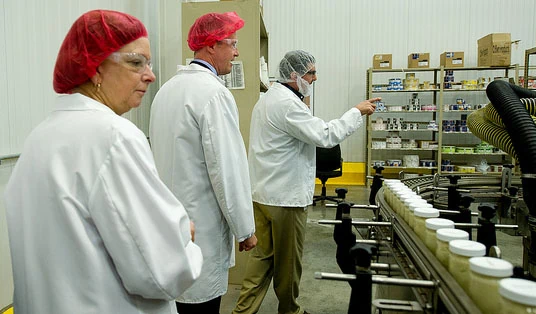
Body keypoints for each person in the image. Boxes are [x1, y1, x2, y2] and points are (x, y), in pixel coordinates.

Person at [4, 10, 204, 314]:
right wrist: (183, 241)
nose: (150, 75)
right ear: (94, 67)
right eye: (136, 62)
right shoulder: (113, 136)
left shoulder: (39, 138)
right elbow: (161, 273)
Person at [232, 50, 380, 314]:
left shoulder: (269, 99)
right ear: (294, 75)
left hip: (263, 193)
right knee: (288, 262)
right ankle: (291, 311)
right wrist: (356, 112)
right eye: (310, 73)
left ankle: (243, 311)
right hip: (284, 198)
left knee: (262, 258)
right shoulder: (287, 105)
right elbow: (325, 135)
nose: (314, 77)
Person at [149, 11, 257, 313]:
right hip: (203, 228)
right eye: (232, 44)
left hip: (169, 226)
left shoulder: (166, 91)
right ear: (211, 45)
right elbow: (228, 171)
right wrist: (245, 229)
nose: (236, 53)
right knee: (201, 305)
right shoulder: (213, 94)